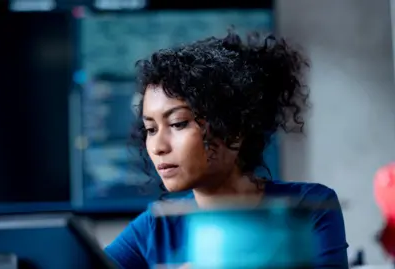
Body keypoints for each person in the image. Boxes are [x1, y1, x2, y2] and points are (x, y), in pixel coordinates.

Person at [105, 30, 349, 268]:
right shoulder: (156, 227)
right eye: (151, 129)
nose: (158, 147)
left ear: (233, 129)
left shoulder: (309, 207)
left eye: (178, 123)